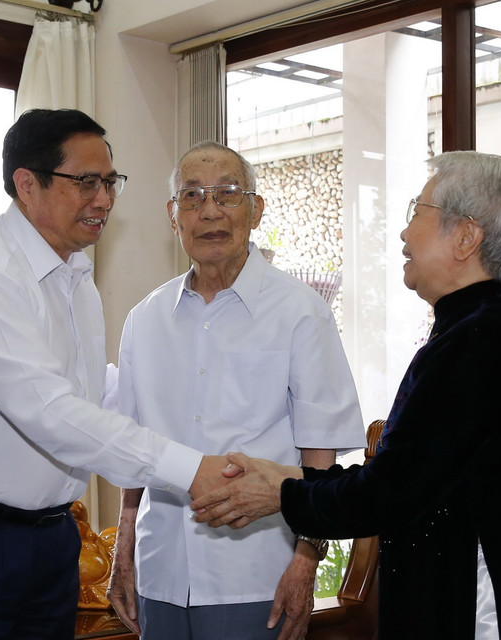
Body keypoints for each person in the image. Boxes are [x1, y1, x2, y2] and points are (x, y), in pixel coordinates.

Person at [192, 151, 501, 639]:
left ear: (466, 237)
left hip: (488, 615)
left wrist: (280, 491)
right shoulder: (483, 326)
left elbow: (390, 493)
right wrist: (292, 478)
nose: (404, 234)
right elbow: (411, 473)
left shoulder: (481, 340)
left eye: (416, 212)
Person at [0, 109, 231, 640]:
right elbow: (51, 412)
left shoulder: (75, 278)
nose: (105, 199)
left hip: (50, 539)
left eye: (110, 181)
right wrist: (190, 469)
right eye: (86, 182)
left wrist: (208, 435)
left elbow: (94, 394)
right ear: (27, 184)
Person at [106, 141, 365, 640]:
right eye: (193, 196)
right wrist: (124, 549)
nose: (209, 212)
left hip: (257, 576)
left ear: (256, 209)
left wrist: (307, 560)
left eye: (227, 194)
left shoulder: (300, 312)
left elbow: (321, 456)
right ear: (172, 215)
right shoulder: (144, 320)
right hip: (161, 573)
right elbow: (132, 448)